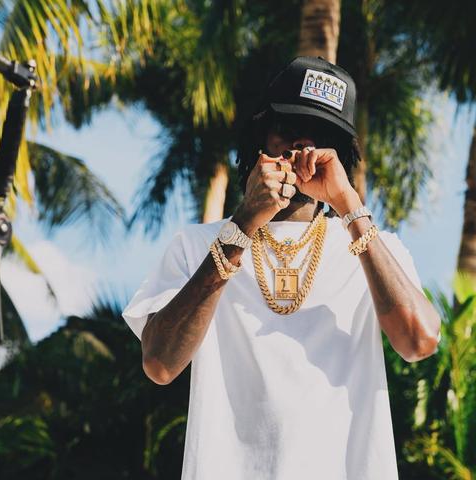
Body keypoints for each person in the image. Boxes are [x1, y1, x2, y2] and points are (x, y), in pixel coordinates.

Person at [123, 56, 441, 480]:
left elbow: (420, 341)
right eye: (289, 129)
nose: (302, 150)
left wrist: (348, 203)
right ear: (261, 134)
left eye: (323, 137)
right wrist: (243, 223)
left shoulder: (375, 250)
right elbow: (160, 363)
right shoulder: (196, 245)